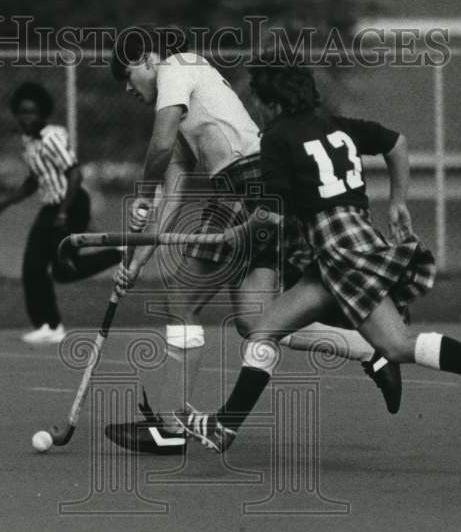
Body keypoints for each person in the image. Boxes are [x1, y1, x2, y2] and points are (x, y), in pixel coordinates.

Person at [173, 63, 461, 453]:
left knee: (396, 345)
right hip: (353, 241)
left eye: (258, 102)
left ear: (272, 102)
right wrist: (398, 202)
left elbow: (273, 214)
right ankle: (225, 427)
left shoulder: (277, 137)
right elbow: (396, 143)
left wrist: (235, 233)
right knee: (265, 331)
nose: (256, 111)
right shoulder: (339, 124)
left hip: (340, 251)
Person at [105, 29, 401, 454]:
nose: (126, 88)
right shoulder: (188, 104)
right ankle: (375, 352)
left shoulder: (178, 66)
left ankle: (171, 427)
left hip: (247, 187)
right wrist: (134, 264)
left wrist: (143, 185)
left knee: (181, 302)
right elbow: (170, 196)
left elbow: (159, 143)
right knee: (257, 321)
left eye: (126, 73)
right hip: (256, 188)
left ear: (149, 59)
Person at [0, 81, 121, 345]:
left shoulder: (51, 138)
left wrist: (63, 214)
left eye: (32, 112)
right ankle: (48, 325)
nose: (27, 118)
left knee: (64, 270)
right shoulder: (28, 142)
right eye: (22, 112)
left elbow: (75, 174)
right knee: (32, 268)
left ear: (43, 114)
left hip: (71, 205)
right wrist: (7, 202)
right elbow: (34, 180)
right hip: (51, 206)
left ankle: (120, 254)